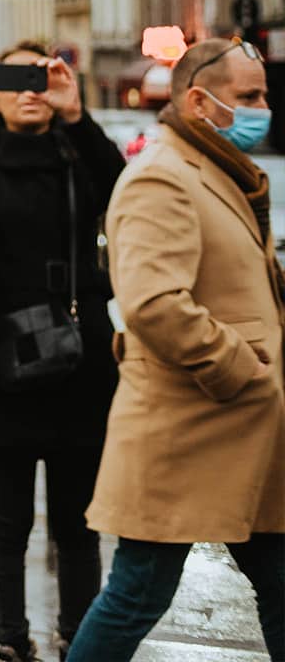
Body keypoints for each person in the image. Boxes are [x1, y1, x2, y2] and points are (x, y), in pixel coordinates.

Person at [70, 38, 285, 661]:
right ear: (198, 100)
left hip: (242, 430)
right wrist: (240, 369)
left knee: (277, 581)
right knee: (137, 593)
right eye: (248, 97)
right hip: (185, 427)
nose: (262, 108)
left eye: (264, 95)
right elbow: (154, 304)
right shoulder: (162, 175)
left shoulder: (223, 170)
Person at [0, 42, 126, 662]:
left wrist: (77, 112)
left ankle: (81, 640)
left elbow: (122, 188)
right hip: (2, 362)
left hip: (78, 355)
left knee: (78, 526)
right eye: (14, 78)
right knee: (8, 523)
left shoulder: (78, 153)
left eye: (41, 77)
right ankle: (10, 641)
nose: (30, 89)